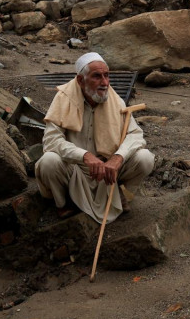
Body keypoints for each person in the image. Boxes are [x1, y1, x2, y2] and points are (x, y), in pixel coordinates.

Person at [36, 52, 154, 223]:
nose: (105, 83)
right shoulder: (63, 99)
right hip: (76, 169)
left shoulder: (115, 101)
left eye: (106, 75)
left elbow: (135, 135)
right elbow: (51, 141)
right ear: (80, 80)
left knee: (145, 158)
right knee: (48, 161)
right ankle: (63, 203)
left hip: (107, 170)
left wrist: (117, 158)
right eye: (97, 76)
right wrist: (84, 156)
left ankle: (121, 195)